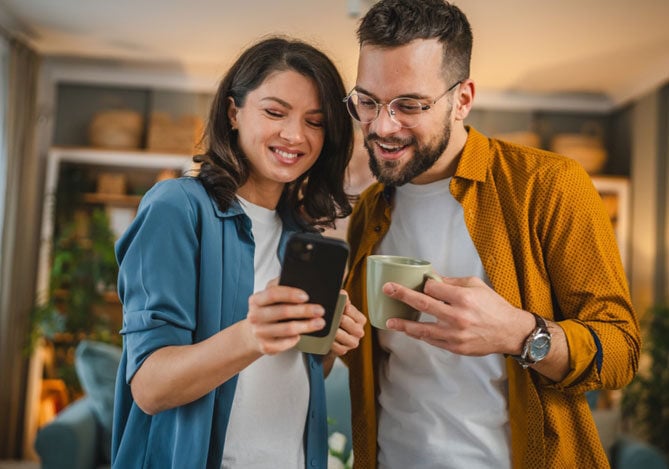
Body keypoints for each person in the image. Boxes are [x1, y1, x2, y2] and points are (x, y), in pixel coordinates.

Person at [341, 1, 640, 468]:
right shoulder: (369, 211)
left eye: (410, 105)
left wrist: (520, 334)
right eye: (368, 101)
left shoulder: (548, 184)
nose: (382, 126)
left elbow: (621, 351)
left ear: (462, 99)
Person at [111, 36, 366, 469]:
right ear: (234, 111)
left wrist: (326, 348)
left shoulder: (305, 237)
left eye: (315, 121)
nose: (294, 135)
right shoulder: (177, 207)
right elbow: (150, 388)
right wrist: (252, 335)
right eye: (274, 112)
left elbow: (287, 378)